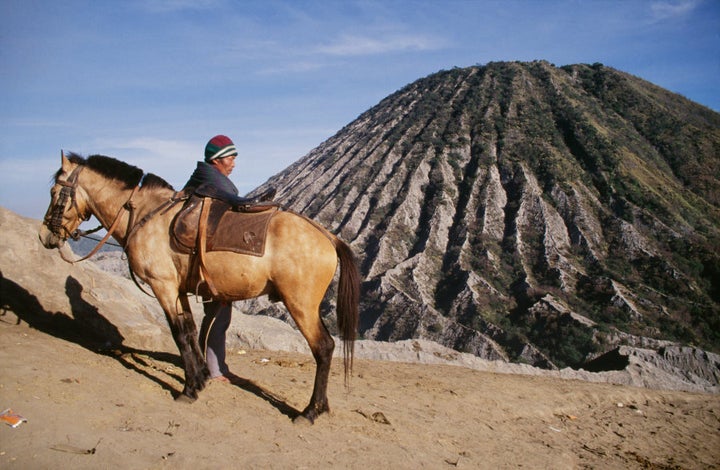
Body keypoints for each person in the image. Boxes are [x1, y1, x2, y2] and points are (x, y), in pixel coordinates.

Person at [183, 134, 274, 382]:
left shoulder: (211, 180)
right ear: (217, 159)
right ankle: (213, 369)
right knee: (217, 317)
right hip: (209, 263)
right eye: (231, 158)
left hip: (210, 260)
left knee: (219, 318)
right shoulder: (213, 183)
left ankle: (215, 365)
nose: (234, 163)